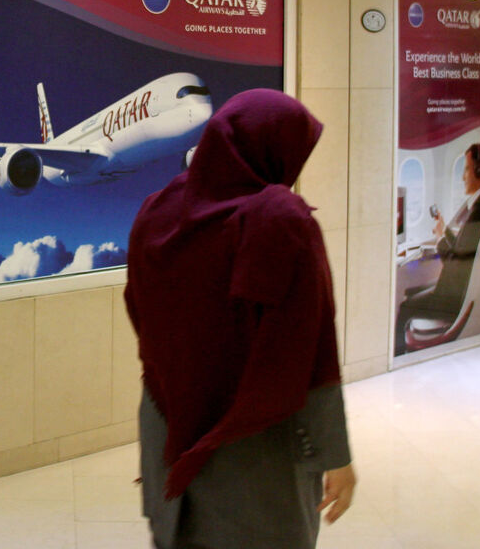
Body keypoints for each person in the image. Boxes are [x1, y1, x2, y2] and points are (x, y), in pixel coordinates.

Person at [125, 89, 355, 549]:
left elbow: (139, 308)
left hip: (167, 435)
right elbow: (311, 352)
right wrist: (337, 457)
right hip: (253, 454)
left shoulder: (156, 210)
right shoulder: (281, 221)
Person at [394, 143, 480, 354]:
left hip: (452, 296)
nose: (463, 177)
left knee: (404, 307)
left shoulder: (478, 211)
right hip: (451, 288)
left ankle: (400, 358)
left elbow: (456, 263)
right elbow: (462, 248)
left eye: (466, 169)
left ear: (478, 171)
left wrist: (439, 239)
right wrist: (444, 230)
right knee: (410, 294)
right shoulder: (476, 206)